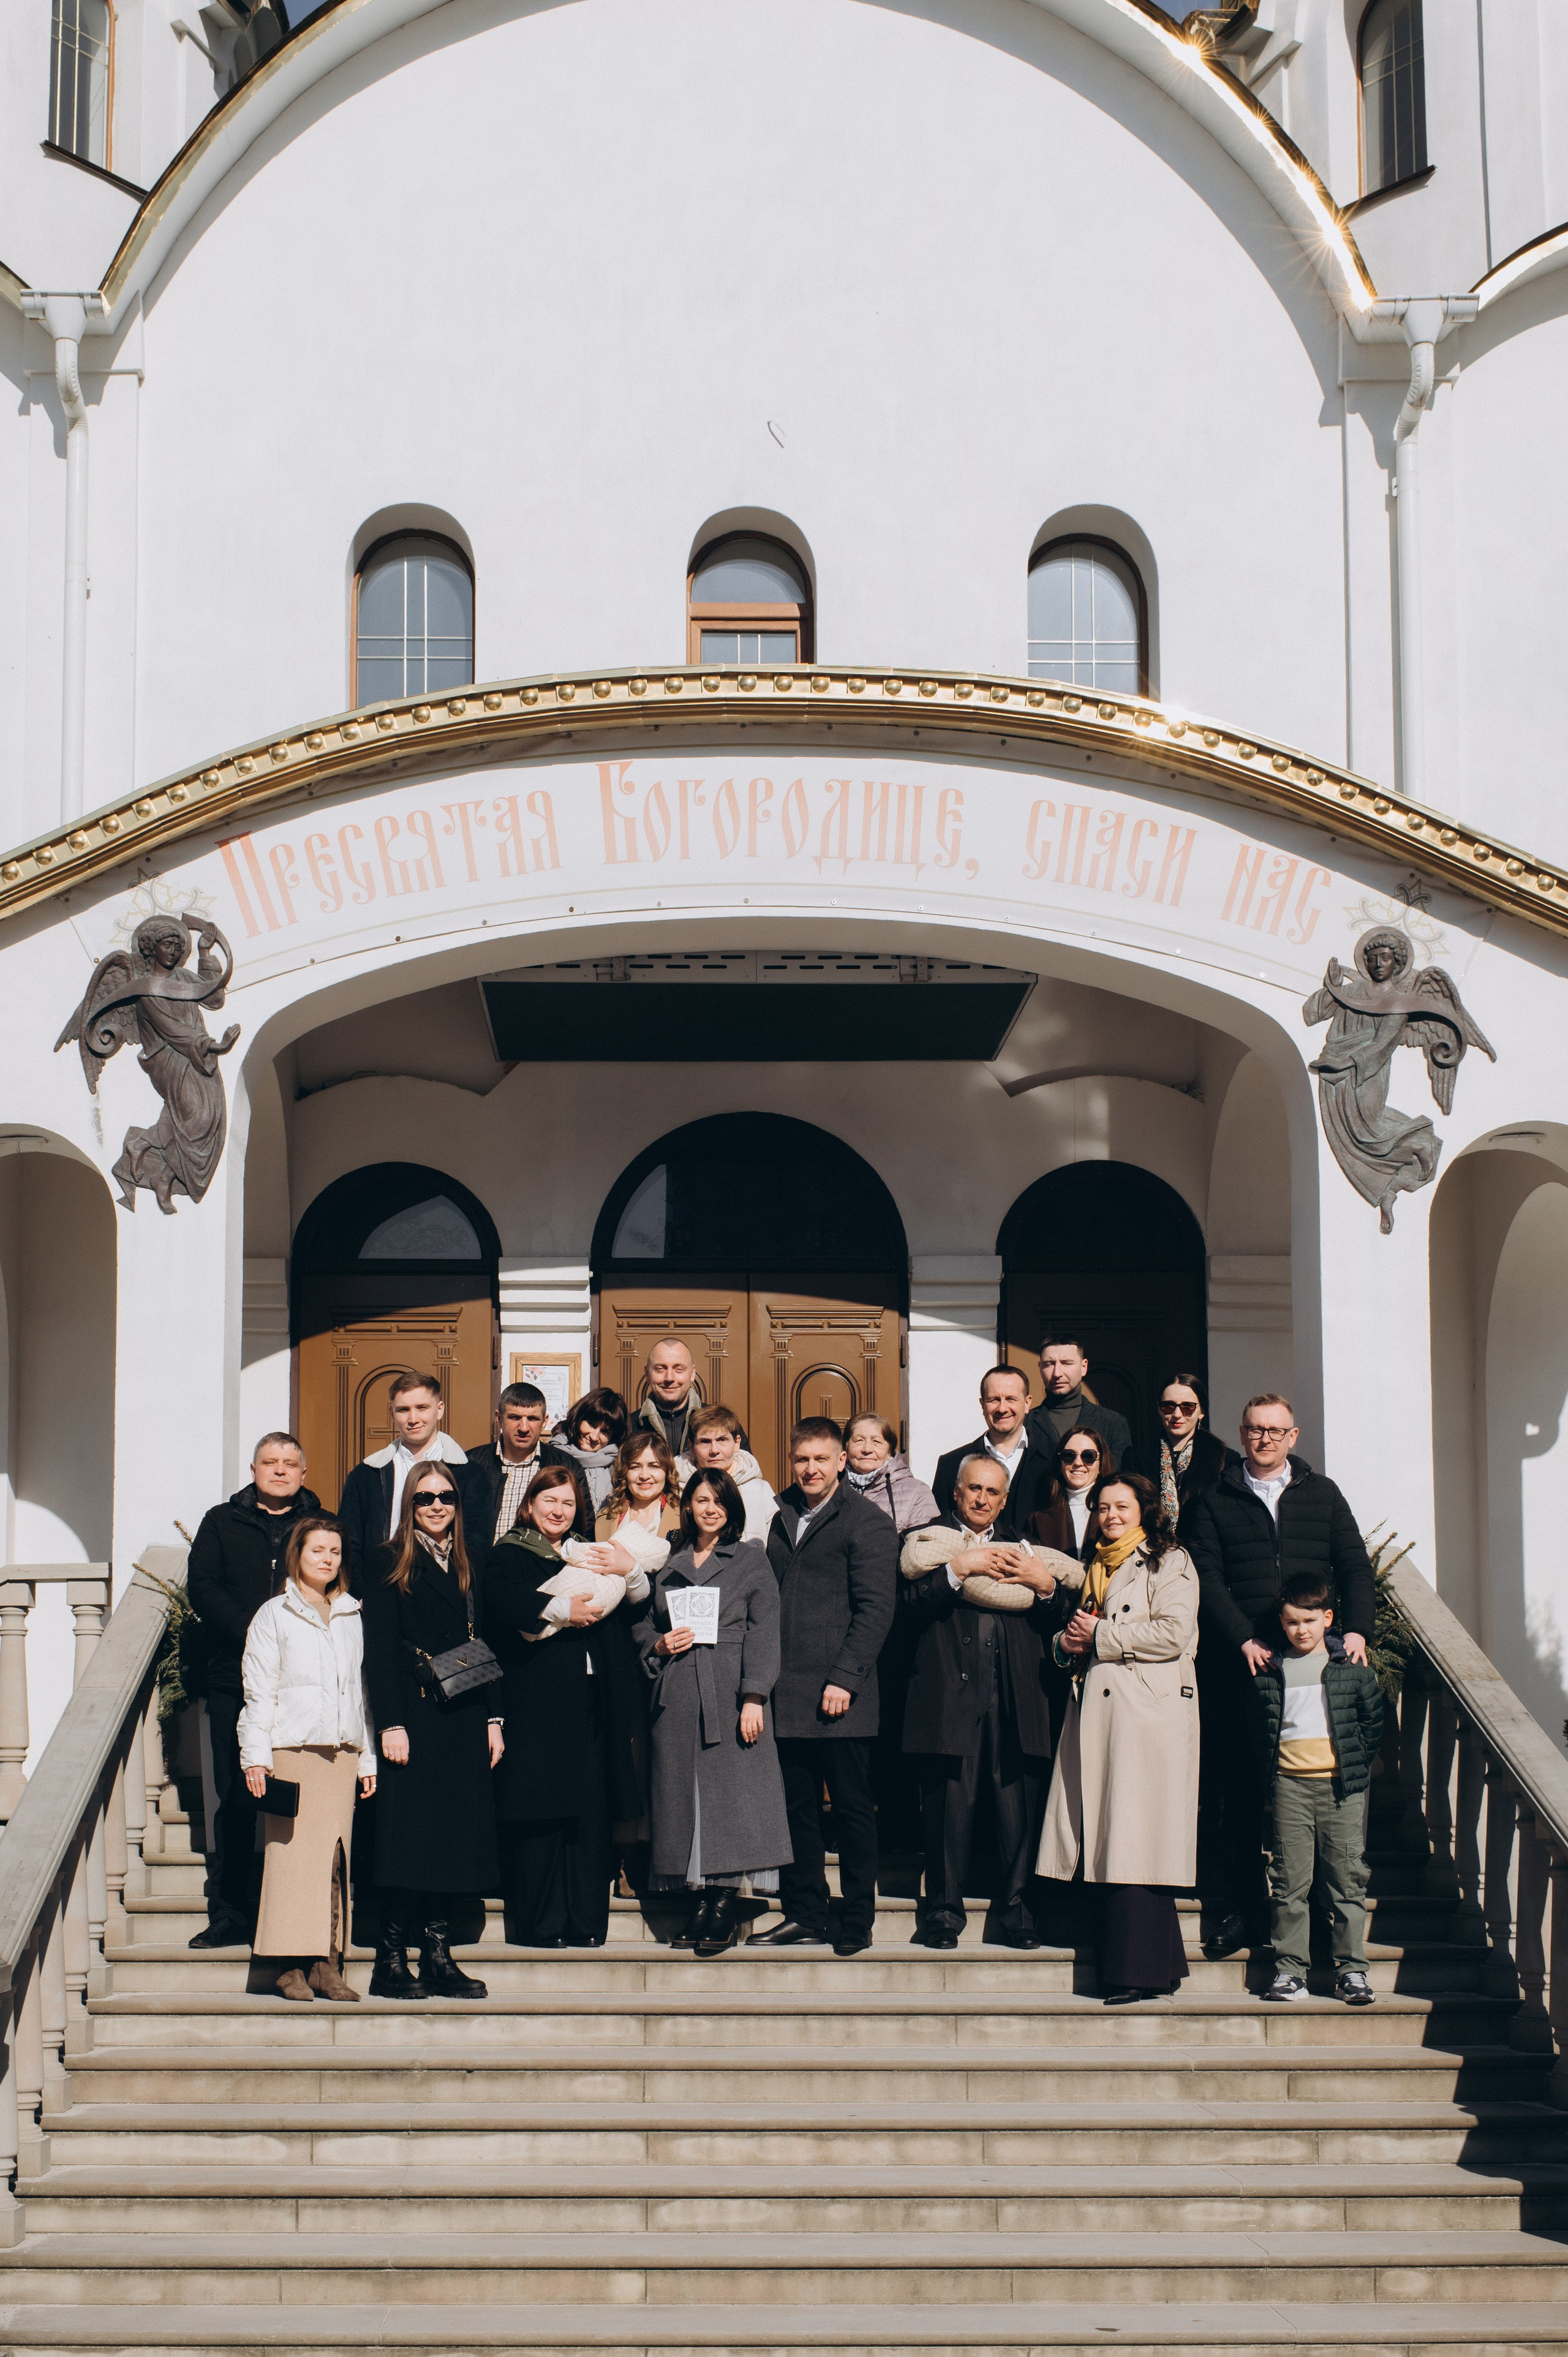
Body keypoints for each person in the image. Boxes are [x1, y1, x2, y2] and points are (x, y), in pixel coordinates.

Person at [1183, 1392, 1376, 1961]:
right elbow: (1206, 1577)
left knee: (1317, 1797)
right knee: (1239, 1795)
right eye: (1255, 1430)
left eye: (1276, 1431)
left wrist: (1359, 1629)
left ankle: (1321, 1923)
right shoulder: (1214, 1498)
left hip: (1315, 1673)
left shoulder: (1323, 1495)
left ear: (1294, 1437)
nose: (1265, 1439)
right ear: (1242, 1435)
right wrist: (1243, 1635)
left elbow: (1354, 1565)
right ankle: (1242, 1912)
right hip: (1241, 1668)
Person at [1037, 1470, 1200, 2005]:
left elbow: (1175, 1633)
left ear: (1144, 1510)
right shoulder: (1098, 1567)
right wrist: (1068, 1642)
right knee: (1117, 1837)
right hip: (1103, 1711)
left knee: (1135, 1839)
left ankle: (1136, 1972)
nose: (1109, 1515)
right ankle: (1161, 1964)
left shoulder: (1168, 1560)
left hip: (1147, 1716)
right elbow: (1079, 1636)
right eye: (1102, 1507)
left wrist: (1101, 1636)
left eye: (1121, 1507)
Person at [899, 1455, 1061, 1950]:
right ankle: (945, 1914)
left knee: (1019, 1809)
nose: (982, 1499)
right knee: (948, 1807)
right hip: (950, 1694)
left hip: (1016, 1695)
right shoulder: (929, 1541)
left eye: (992, 1492)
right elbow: (907, 1606)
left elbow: (1060, 1620)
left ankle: (1016, 1913)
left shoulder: (1026, 1547)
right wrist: (957, 1570)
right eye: (973, 1489)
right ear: (956, 1492)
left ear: (1005, 1499)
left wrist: (1046, 1587)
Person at [486, 1466, 647, 1948]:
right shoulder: (510, 1554)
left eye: (569, 1504)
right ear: (529, 1505)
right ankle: (542, 1924)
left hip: (594, 1703)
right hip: (538, 1705)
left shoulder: (592, 1554)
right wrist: (560, 1610)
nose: (559, 1511)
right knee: (543, 1815)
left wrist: (629, 1572)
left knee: (589, 1814)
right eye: (549, 1501)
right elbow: (501, 1605)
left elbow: (636, 1605)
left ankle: (585, 1921)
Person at [635, 1469, 793, 1958]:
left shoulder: (750, 1559)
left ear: (732, 1507)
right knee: (684, 1797)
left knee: (731, 1798)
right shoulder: (669, 1559)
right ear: (687, 1505)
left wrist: (754, 1696)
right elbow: (641, 1623)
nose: (710, 1509)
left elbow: (765, 1631)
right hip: (679, 1690)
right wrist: (658, 1644)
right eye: (701, 1500)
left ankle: (723, 1903)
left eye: (719, 1501)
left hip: (729, 1691)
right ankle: (698, 1901)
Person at [754, 1419, 897, 1957]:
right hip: (785, 1692)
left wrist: (845, 1678)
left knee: (855, 1811)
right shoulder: (779, 1514)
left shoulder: (867, 1521)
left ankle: (857, 1918)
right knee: (797, 1810)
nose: (810, 1469)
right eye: (801, 1459)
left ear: (842, 1461)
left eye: (821, 1459)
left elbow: (877, 1608)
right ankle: (806, 1911)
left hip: (841, 1698)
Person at [361, 1461, 503, 1999]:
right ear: (409, 1505)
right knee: (409, 1839)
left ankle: (438, 1958)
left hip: (465, 1715)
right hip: (415, 1717)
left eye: (445, 1496)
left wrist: (494, 1717)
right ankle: (390, 1960)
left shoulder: (470, 1562)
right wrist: (391, 1723)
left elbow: (486, 1641)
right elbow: (378, 1649)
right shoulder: (387, 1560)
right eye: (425, 1498)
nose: (437, 1505)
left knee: (452, 1839)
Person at [186, 1433, 323, 1948]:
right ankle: (231, 1912)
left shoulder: (319, 1525)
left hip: (303, 1686)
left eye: (290, 1463)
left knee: (303, 1800)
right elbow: (203, 1587)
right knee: (239, 1796)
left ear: (304, 1473)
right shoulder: (222, 1521)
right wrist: (262, 1632)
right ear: (254, 1468)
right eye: (271, 1462)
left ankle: (298, 1910)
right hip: (234, 1680)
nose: (281, 1471)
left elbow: (336, 1582)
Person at [238, 1515, 376, 2002]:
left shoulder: (352, 1614)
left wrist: (367, 1758)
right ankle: (287, 1965)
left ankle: (327, 1962)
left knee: (334, 1860)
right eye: (318, 1550)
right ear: (298, 1553)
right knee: (291, 1859)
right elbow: (260, 1691)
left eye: (335, 1552)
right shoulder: (274, 1614)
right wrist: (256, 1757)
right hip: (291, 1752)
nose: (327, 1559)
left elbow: (361, 1691)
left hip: (340, 1753)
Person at [1251, 1570, 1383, 2007]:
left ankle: (1352, 1972)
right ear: (1282, 1623)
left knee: (1347, 1880)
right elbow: (1263, 1726)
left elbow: (1372, 1723)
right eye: (1291, 1622)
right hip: (1289, 1787)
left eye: (1309, 1621)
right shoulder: (1273, 1670)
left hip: (1340, 1788)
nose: (1301, 1630)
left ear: (1328, 1618)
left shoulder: (1349, 1667)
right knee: (1289, 1880)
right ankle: (1291, 1971)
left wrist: (1354, 1766)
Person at [337, 1370, 486, 1577]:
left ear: (439, 1410)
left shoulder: (471, 1474)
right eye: (403, 1410)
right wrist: (362, 1594)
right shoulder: (366, 1475)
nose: (413, 1419)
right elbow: (350, 1542)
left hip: (446, 1591)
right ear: (392, 1413)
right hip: (383, 1587)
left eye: (422, 1408)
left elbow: (476, 1543)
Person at [1014, 1337, 1133, 1526]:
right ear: (1039, 1367)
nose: (1057, 1373)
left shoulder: (1113, 1423)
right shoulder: (1024, 1423)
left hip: (1098, 1529)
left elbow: (1121, 1485)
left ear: (1084, 1366)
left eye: (1066, 1363)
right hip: (1038, 1530)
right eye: (1049, 1364)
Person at [467, 1381, 592, 1545]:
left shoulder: (566, 1466)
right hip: (481, 1568)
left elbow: (585, 1528)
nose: (524, 1428)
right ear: (499, 1419)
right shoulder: (472, 1464)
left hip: (544, 1568)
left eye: (533, 1419)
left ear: (545, 1421)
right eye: (515, 1417)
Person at [932, 1366, 1054, 1525]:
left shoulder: (1055, 1459)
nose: (1002, 1408)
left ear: (1027, 1403)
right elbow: (941, 1527)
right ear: (982, 1405)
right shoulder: (951, 1464)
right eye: (994, 1400)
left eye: (1011, 1399)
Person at [1126, 1374, 1233, 1533]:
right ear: (1159, 1410)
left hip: (1206, 1551)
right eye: (1168, 1407)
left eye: (1187, 1407)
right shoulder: (1137, 1460)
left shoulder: (1225, 1459)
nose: (1177, 1415)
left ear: (1201, 1411)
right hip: (1154, 1549)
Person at [676, 1404, 778, 1542]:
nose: (714, 1450)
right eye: (705, 1441)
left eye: (722, 1440)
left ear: (737, 1443)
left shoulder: (760, 1490)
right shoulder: (677, 1490)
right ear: (692, 1447)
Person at [1026, 1422, 1116, 1559]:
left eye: (1088, 1456)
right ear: (1060, 1464)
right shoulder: (1038, 1520)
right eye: (1068, 1456)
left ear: (1100, 1464)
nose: (1078, 1463)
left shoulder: (1117, 1513)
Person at [845, 1414, 938, 1536]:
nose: (867, 1449)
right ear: (846, 1448)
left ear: (890, 1451)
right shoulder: (831, 1487)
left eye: (877, 1441)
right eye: (859, 1441)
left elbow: (926, 1546)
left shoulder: (917, 1492)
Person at [554, 1388, 630, 1515]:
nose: (594, 1437)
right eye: (592, 1425)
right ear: (579, 1418)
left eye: (605, 1432)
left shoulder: (618, 1466)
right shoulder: (553, 1456)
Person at [635, 1337, 701, 1461]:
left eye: (679, 1369)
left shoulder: (719, 1423)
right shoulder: (629, 1427)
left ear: (692, 1374)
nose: (669, 1378)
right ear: (647, 1373)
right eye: (660, 1369)